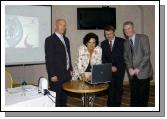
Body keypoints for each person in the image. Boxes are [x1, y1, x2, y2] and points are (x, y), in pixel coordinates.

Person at [123, 21, 153, 107]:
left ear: (133, 28)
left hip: (143, 72)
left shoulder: (143, 38)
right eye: (125, 30)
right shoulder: (125, 42)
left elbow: (147, 55)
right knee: (134, 94)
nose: (127, 31)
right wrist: (129, 68)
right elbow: (126, 57)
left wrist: (137, 69)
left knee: (143, 96)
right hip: (132, 73)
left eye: (129, 28)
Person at [45, 19, 72, 107]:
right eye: (61, 24)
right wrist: (52, 74)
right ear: (55, 26)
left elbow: (68, 55)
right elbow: (49, 58)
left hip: (66, 74)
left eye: (64, 25)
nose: (63, 27)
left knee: (64, 98)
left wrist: (70, 68)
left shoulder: (66, 39)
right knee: (56, 100)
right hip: (56, 75)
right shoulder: (50, 40)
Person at [72, 32, 102, 106]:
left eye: (94, 42)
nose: (91, 45)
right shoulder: (81, 49)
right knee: (84, 91)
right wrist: (82, 75)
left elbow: (98, 63)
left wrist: (94, 75)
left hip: (92, 73)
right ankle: (85, 105)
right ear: (86, 43)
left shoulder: (99, 49)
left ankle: (90, 106)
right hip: (81, 72)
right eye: (89, 42)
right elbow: (79, 63)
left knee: (92, 92)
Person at [101, 25, 125, 107]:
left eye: (110, 34)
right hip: (108, 70)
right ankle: (110, 107)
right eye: (106, 34)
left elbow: (124, 57)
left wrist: (116, 67)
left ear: (114, 32)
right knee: (110, 89)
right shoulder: (103, 44)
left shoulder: (122, 41)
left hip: (119, 70)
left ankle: (117, 107)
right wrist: (110, 67)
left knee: (118, 89)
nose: (108, 36)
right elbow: (103, 58)